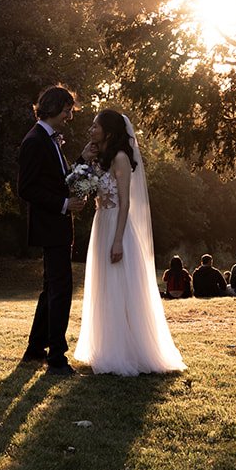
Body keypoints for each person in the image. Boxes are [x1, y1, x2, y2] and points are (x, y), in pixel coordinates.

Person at [73, 110, 185, 375]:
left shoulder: (121, 158)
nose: (91, 130)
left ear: (108, 131)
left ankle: (126, 351)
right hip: (101, 224)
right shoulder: (100, 158)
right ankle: (105, 346)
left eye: (95, 126)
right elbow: (82, 188)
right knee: (104, 286)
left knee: (119, 288)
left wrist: (118, 241)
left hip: (116, 226)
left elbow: (125, 203)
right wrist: (84, 160)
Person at [17, 85, 88, 373]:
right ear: (55, 108)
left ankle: (35, 350)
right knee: (61, 290)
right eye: (68, 110)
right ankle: (56, 358)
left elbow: (63, 179)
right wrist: (63, 204)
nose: (70, 116)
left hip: (57, 227)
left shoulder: (50, 140)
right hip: (50, 226)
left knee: (51, 290)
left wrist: (82, 159)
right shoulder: (35, 141)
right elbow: (27, 189)